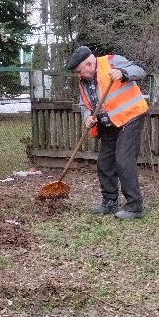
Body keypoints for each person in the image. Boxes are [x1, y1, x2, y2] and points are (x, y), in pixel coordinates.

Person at [66, 45, 149, 220]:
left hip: (130, 117)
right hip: (108, 124)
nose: (79, 76)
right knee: (104, 163)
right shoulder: (84, 81)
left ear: (89, 64)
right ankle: (110, 202)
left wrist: (122, 73)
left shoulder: (112, 61)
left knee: (124, 160)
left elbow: (140, 70)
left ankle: (135, 206)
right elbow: (84, 104)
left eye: (80, 71)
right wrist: (88, 116)